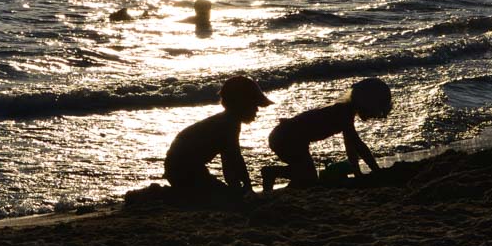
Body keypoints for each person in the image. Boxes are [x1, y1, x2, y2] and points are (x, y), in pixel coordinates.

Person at [262, 77, 392, 190]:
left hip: (287, 136)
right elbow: (358, 145)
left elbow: (350, 146)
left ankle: (277, 183)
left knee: (305, 177)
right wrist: (376, 171)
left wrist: (358, 172)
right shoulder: (343, 113)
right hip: (286, 137)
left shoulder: (344, 111)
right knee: (309, 177)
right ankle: (271, 172)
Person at [164, 76, 271, 193]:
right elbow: (233, 158)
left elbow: (230, 159)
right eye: (254, 105)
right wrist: (245, 186)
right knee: (222, 196)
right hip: (183, 171)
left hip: (182, 169)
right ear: (242, 104)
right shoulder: (228, 125)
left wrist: (240, 185)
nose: (256, 110)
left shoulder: (227, 121)